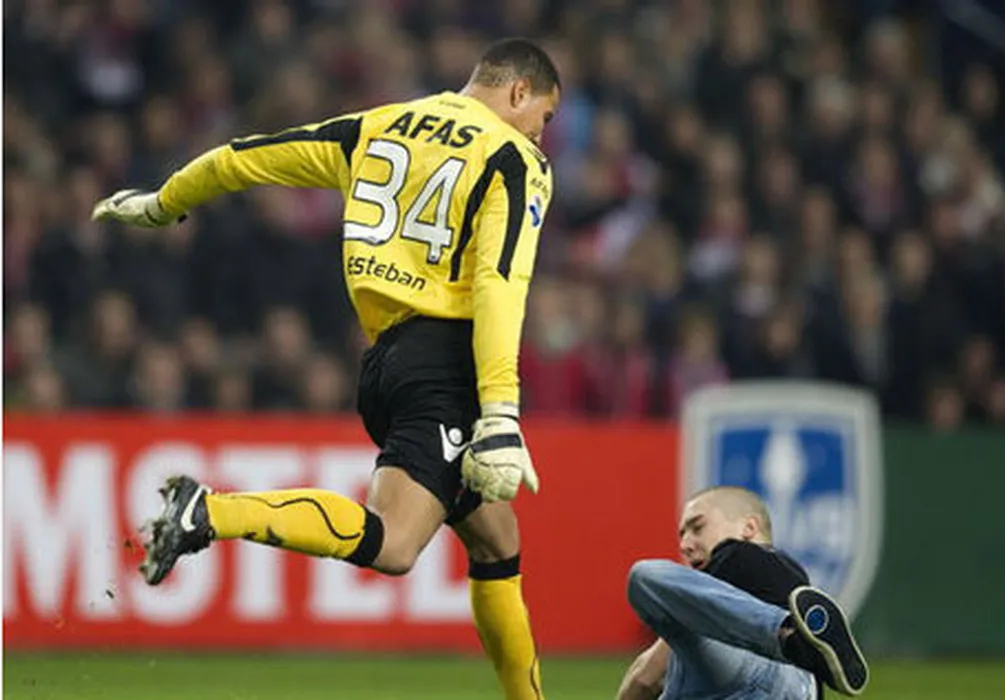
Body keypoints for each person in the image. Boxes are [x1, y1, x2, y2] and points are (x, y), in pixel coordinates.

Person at [92, 38, 560, 700]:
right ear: (519, 92)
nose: (542, 133)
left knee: (495, 541)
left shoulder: (377, 126)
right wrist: (502, 411)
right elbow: (499, 283)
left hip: (385, 363)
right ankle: (211, 512)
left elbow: (242, 157)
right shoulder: (515, 159)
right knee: (394, 545)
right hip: (448, 366)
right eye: (545, 116)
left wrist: (164, 202)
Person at [618, 486, 869, 699]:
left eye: (698, 527)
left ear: (749, 527)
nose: (685, 545)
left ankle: (785, 635)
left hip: (766, 676)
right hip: (796, 690)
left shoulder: (734, 555)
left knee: (645, 576)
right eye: (682, 535)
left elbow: (648, 676)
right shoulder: (787, 573)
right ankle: (789, 638)